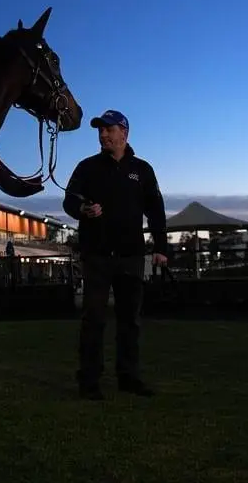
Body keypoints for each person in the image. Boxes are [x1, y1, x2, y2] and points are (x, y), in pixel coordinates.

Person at [62, 109, 168, 400]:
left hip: (131, 255)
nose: (103, 134)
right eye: (100, 130)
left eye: (109, 129)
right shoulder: (87, 167)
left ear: (124, 132)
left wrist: (161, 246)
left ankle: (129, 377)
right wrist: (82, 210)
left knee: (129, 320)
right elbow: (70, 200)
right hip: (96, 255)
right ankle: (89, 381)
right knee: (93, 319)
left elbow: (156, 209)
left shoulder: (142, 170)